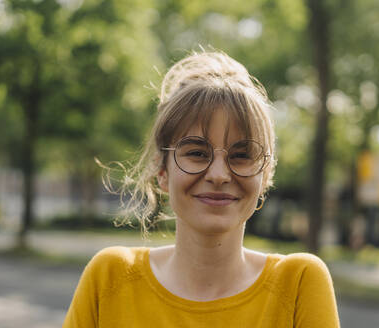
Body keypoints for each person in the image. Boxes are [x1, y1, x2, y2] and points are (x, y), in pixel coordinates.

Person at [63, 51, 340, 327]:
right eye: (196, 152)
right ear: (162, 170)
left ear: (265, 175)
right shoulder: (110, 277)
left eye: (241, 155)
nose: (219, 175)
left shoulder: (299, 283)